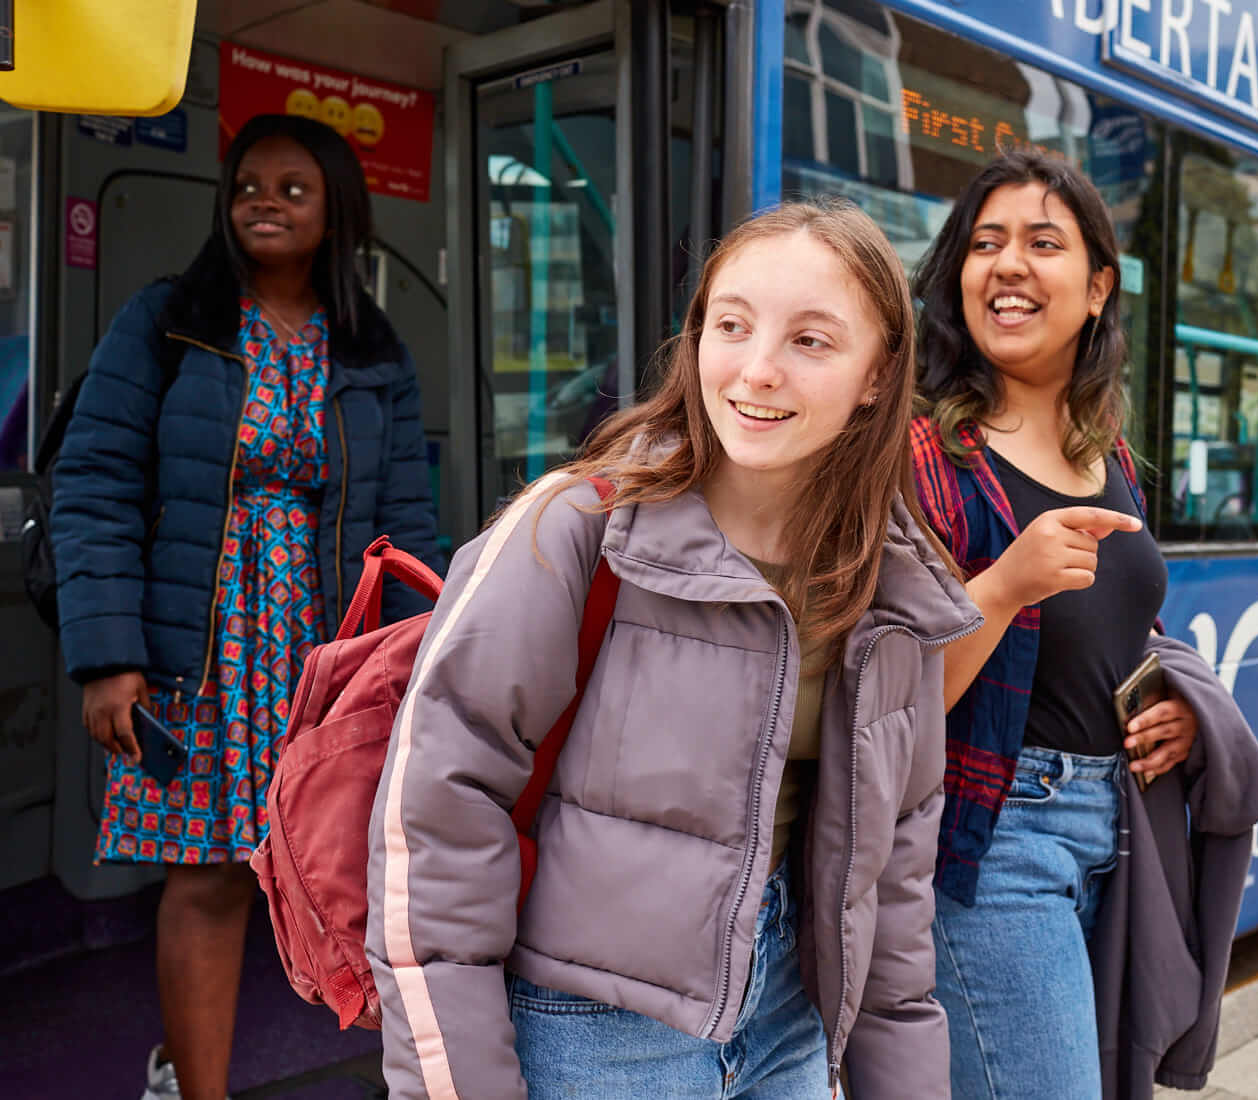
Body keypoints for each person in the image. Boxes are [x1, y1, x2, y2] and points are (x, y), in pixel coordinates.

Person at [365, 200, 979, 1100]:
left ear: (879, 376)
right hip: (590, 1034)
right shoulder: (572, 529)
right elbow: (433, 827)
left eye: (812, 341)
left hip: (787, 1022)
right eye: (731, 325)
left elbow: (891, 890)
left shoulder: (889, 585)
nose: (757, 370)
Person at [50, 113, 441, 1100]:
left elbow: (405, 519)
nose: (264, 202)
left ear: (335, 211)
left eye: (292, 188)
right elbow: (92, 480)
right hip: (197, 644)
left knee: (338, 866)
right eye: (248, 187)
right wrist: (107, 656)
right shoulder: (167, 320)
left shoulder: (373, 352)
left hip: (318, 649)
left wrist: (418, 663)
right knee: (210, 874)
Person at [908, 149, 1258, 1098]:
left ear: (1098, 287)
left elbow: (1120, 631)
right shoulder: (922, 452)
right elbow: (893, 696)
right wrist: (1001, 587)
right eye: (985, 243)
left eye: (1041, 242)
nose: (1008, 265)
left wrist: (1178, 707)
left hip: (1118, 822)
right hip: (990, 840)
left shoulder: (1102, 444)